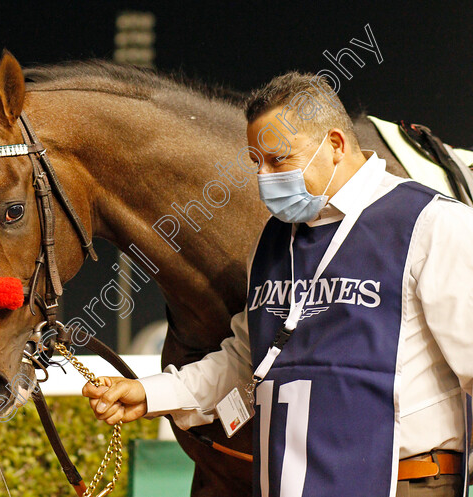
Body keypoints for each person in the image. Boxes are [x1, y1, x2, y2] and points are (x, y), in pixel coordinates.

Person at [83, 73, 473, 497]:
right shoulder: (271, 241)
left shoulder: (434, 224)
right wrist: (149, 394)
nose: (264, 178)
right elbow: (247, 360)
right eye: (256, 162)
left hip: (403, 484)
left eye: (279, 159)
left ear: (336, 145)